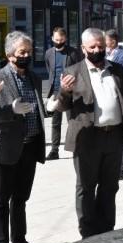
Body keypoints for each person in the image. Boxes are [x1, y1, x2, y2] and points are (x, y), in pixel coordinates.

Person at [47, 28, 123, 238]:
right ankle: (88, 232)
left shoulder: (116, 69)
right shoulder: (72, 72)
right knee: (86, 188)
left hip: (114, 137)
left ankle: (106, 229)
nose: (97, 49)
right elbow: (61, 106)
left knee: (110, 187)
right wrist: (64, 91)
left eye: (101, 45)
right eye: (92, 47)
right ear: (83, 48)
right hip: (87, 139)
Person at [0, 31, 45, 243]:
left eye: (29, 52)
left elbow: (39, 108)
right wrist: (11, 110)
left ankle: (19, 240)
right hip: (7, 148)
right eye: (22, 52)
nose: (26, 56)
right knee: (1, 199)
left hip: (30, 145)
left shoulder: (34, 77)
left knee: (21, 198)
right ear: (10, 54)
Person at [44, 27, 82, 160]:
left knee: (72, 121)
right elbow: (49, 70)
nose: (58, 42)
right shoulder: (48, 53)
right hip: (55, 92)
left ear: (65, 39)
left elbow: (80, 69)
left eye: (60, 40)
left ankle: (75, 147)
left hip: (70, 92)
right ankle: (54, 150)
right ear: (52, 39)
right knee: (55, 122)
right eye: (56, 39)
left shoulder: (73, 53)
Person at [105, 29, 123, 179]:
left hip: (121, 98)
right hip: (107, 99)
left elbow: (119, 74)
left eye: (106, 40)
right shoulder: (103, 54)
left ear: (113, 41)